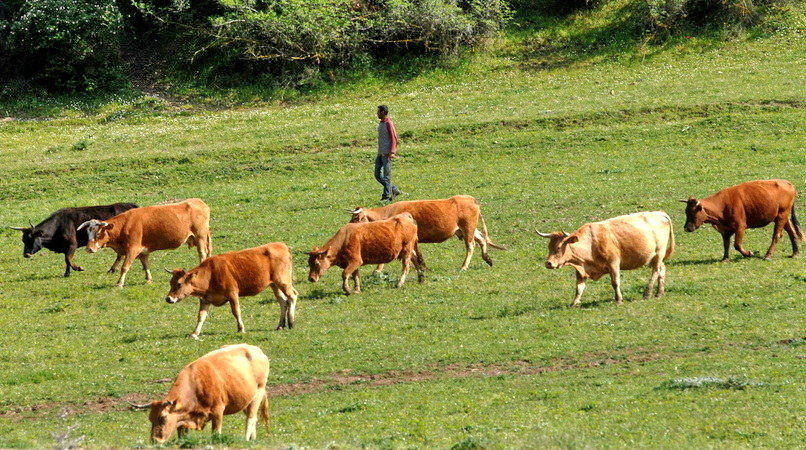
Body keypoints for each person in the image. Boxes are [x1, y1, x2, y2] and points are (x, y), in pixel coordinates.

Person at [375, 105, 401, 202]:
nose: (377, 114)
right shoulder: (381, 123)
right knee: (377, 175)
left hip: (386, 154)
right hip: (380, 153)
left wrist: (392, 152)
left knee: (387, 175)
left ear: (382, 112)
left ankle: (386, 196)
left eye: (378, 112)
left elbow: (394, 138)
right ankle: (393, 189)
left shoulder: (389, 123)